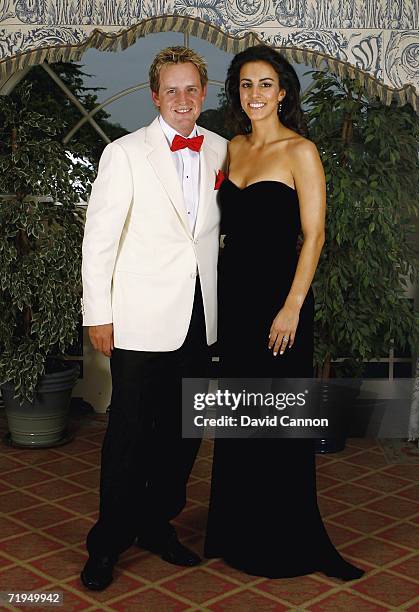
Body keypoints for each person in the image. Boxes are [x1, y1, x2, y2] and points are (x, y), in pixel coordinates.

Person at [204, 45, 365, 581]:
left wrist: (293, 305)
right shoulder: (231, 149)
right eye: (246, 84)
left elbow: (314, 235)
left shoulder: (302, 151)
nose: (255, 94)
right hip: (235, 301)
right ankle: (237, 532)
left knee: (280, 424)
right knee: (240, 419)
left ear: (284, 91)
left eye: (265, 84)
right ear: (238, 92)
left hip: (281, 302)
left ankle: (288, 539)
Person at [80, 46, 227, 590]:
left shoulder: (221, 150)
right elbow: (99, 242)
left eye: (192, 89)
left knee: (185, 432)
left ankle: (156, 523)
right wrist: (99, 313)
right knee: (129, 433)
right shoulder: (124, 153)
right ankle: (107, 541)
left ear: (204, 94)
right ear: (155, 95)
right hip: (139, 318)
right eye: (172, 90)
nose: (182, 99)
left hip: (199, 318)